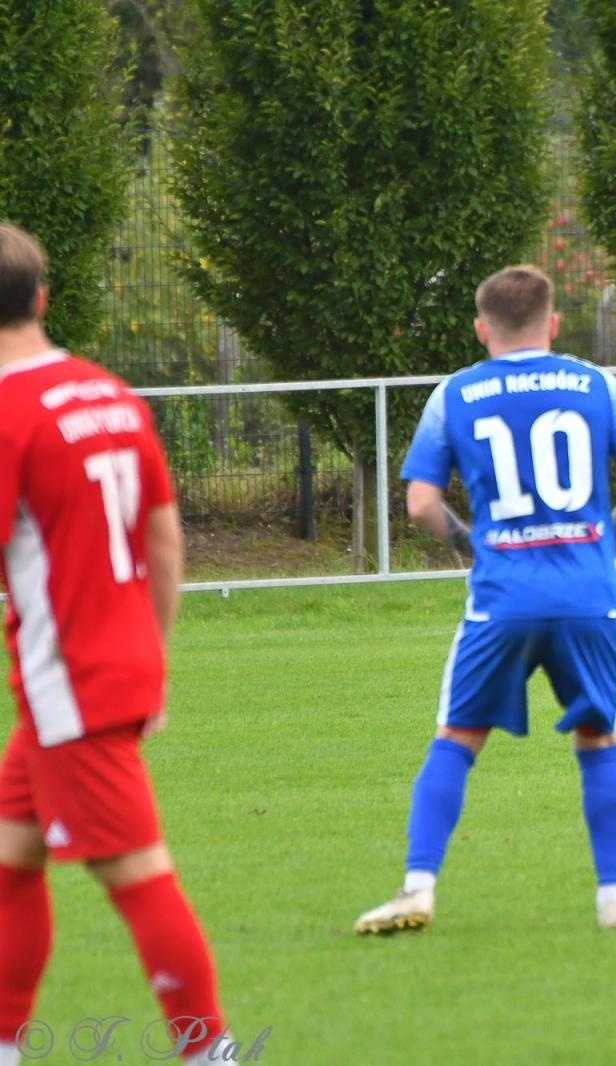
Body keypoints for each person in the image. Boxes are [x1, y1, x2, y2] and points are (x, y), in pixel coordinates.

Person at [355, 265, 616, 935]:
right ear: (553, 324)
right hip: (588, 592)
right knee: (599, 736)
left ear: (480, 328)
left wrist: (470, 544)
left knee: (458, 738)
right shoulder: (595, 384)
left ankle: (418, 887)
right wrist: (606, 536)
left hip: (503, 593)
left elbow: (418, 504)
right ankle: (615, 903)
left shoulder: (454, 394)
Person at [0, 223, 226, 1065]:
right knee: (10, 856)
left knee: (136, 875)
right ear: (43, 298)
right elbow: (164, 539)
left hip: (70, 680)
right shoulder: (106, 391)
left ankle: (211, 1051)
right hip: (114, 660)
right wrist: (151, 658)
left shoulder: (8, 412)